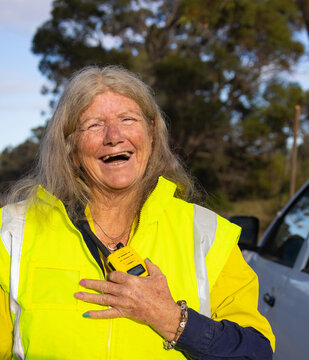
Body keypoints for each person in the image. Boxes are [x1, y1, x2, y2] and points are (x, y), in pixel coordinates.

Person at [0, 66, 275, 360]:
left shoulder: (207, 234)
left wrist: (172, 320)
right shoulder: (14, 230)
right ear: (71, 148)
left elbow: (256, 351)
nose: (114, 136)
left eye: (128, 119)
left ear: (152, 134)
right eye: (93, 125)